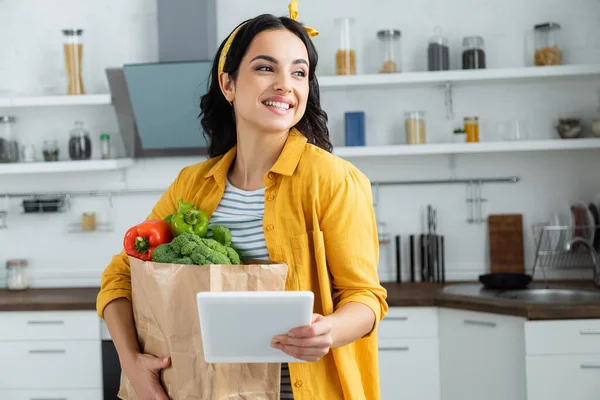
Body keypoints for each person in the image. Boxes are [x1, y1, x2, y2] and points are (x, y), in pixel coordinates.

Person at [96, 1, 388, 399]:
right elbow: (121, 276)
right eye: (266, 67)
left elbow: (365, 298)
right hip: (203, 387)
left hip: (297, 388)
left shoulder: (333, 179)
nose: (286, 84)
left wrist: (329, 331)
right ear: (228, 84)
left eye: (299, 72)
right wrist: (131, 363)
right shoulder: (192, 185)